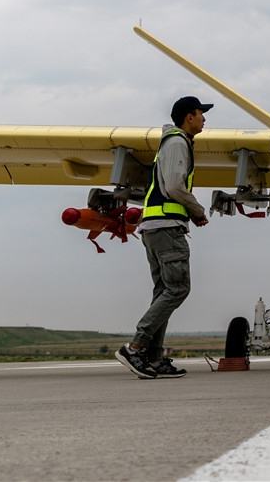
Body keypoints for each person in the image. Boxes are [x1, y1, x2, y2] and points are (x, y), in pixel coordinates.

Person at [115, 95, 212, 379]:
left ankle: (154, 360)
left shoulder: (171, 144)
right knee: (177, 289)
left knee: (164, 292)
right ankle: (134, 347)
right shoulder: (178, 142)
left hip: (155, 227)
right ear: (188, 117)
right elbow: (174, 186)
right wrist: (196, 210)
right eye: (200, 113)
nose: (204, 118)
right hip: (167, 228)